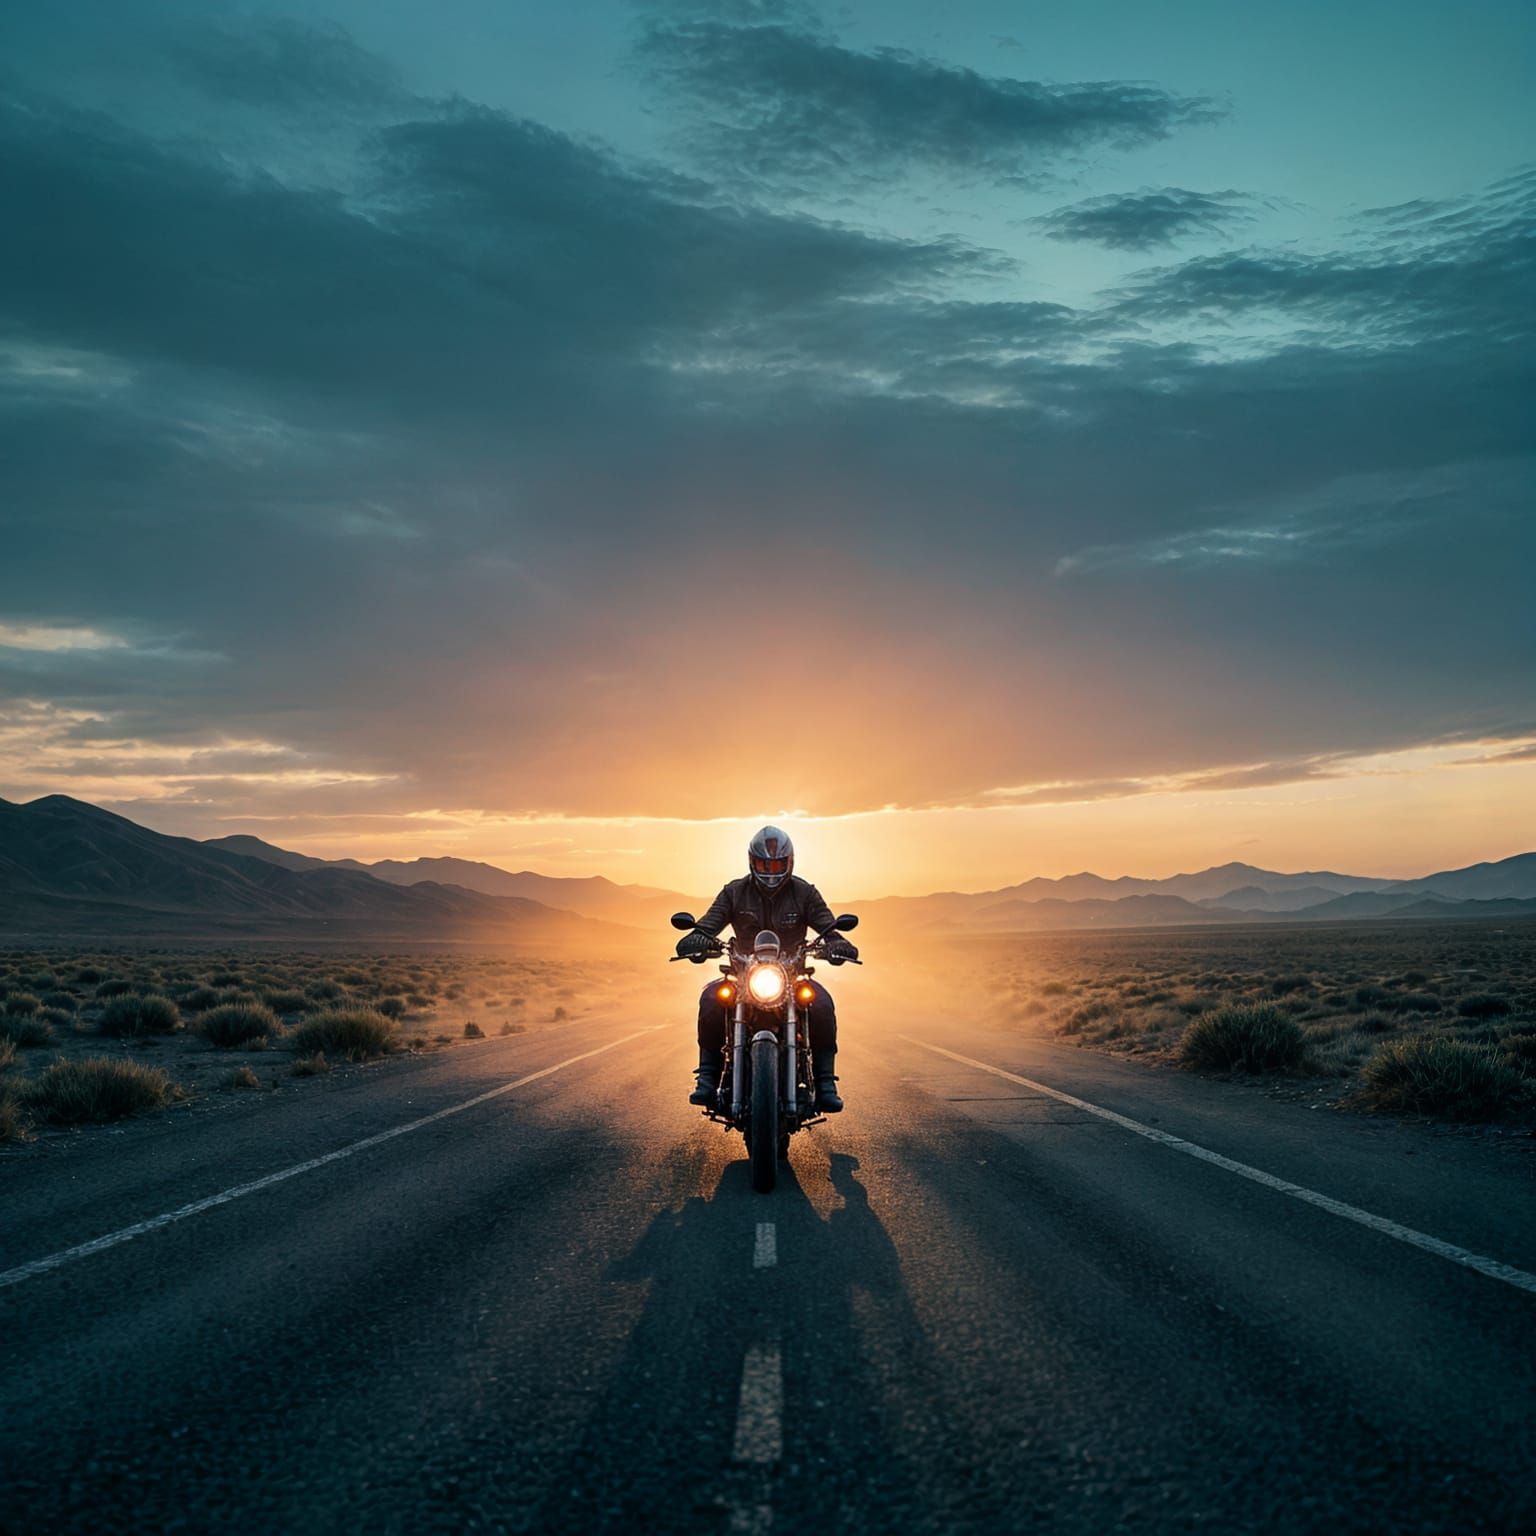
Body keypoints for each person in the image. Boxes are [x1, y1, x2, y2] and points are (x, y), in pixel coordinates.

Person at [676, 825, 858, 1112]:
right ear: (752, 861)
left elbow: (828, 925)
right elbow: (708, 924)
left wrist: (838, 943)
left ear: (789, 862)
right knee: (711, 999)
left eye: (777, 864)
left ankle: (825, 1082)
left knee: (821, 1004)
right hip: (743, 977)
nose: (771, 870)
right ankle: (708, 1077)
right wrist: (695, 938)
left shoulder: (805, 893)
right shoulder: (734, 892)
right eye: (764, 863)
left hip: (791, 978)